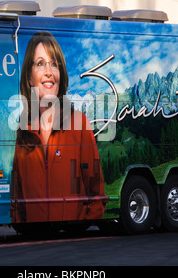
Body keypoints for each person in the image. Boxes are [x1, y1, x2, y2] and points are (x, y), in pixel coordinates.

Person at [11, 31, 107, 223]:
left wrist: (78, 232)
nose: (48, 71)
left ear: (60, 74)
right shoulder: (24, 135)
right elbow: (17, 204)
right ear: (29, 78)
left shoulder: (79, 125)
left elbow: (97, 195)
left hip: (70, 245)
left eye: (54, 64)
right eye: (40, 64)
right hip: (34, 246)